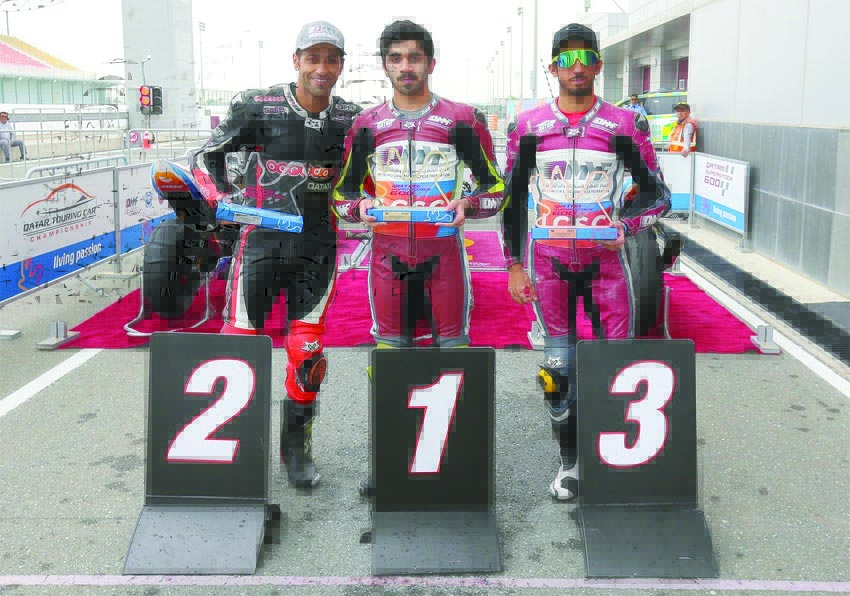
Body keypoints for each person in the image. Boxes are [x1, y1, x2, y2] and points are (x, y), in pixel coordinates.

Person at [332, 20, 505, 496]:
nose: (405, 67)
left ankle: (458, 462)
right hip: (388, 258)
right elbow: (342, 196)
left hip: (443, 257)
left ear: (431, 62)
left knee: (453, 357)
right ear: (385, 64)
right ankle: (390, 458)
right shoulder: (366, 125)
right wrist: (359, 207)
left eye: (414, 57)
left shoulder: (462, 119)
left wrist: (468, 204)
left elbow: (495, 190)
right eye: (396, 58)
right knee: (389, 361)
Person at [501, 23, 670, 501]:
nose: (576, 67)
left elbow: (659, 196)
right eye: (566, 58)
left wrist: (628, 227)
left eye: (585, 58)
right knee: (557, 373)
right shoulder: (529, 126)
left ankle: (612, 458)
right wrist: (514, 264)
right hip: (549, 265)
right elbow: (512, 201)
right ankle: (570, 462)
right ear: (552, 67)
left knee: (615, 366)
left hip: (607, 266)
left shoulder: (623, 124)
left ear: (598, 64)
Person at [194, 20, 361, 489]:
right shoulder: (258, 105)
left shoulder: (352, 117)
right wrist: (223, 202)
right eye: (313, 58)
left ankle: (296, 450)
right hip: (261, 245)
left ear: (341, 65)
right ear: (297, 61)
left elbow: (369, 175)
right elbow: (205, 157)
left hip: (318, 248)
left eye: (331, 59)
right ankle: (230, 451)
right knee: (238, 349)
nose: (322, 68)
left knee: (307, 356)